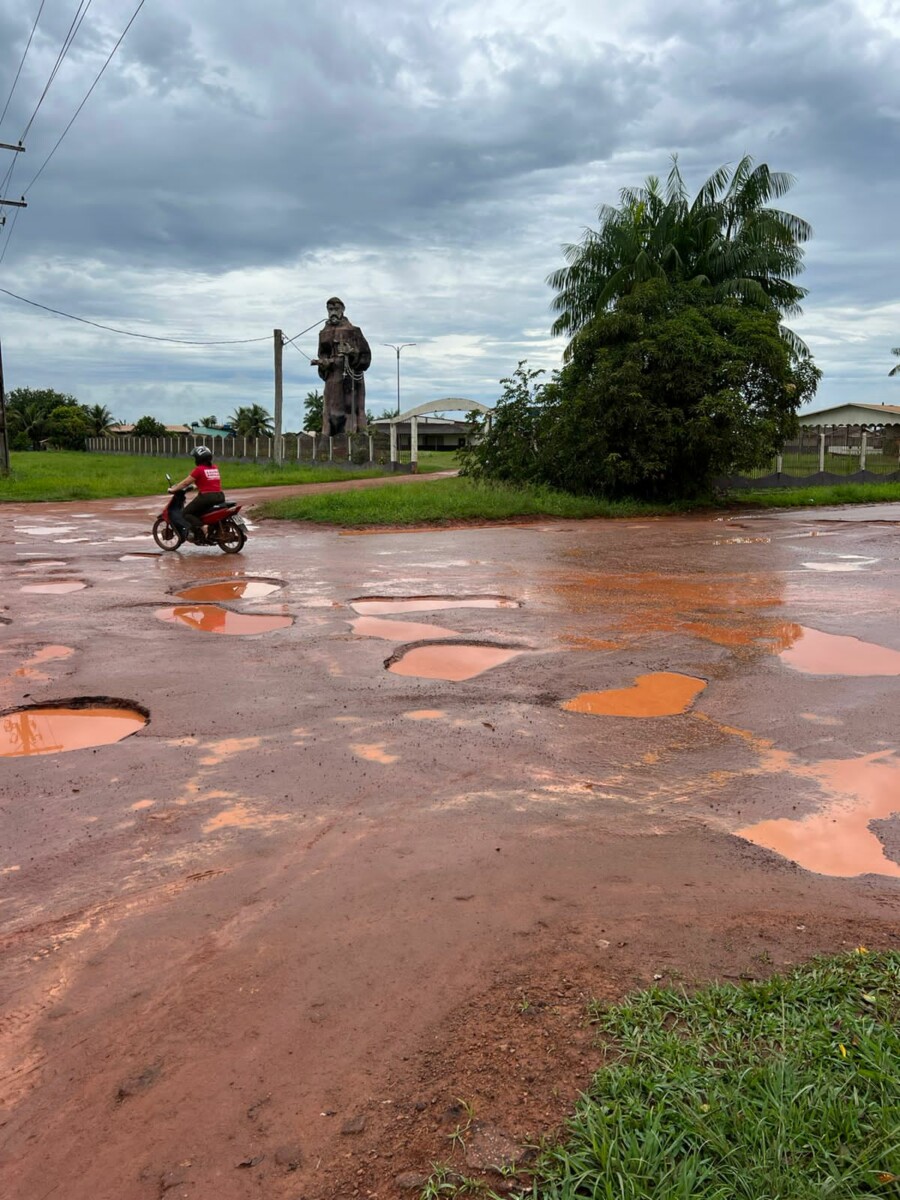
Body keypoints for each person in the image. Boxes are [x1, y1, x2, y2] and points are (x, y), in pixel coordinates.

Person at [313, 296, 371, 436]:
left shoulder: (354, 331)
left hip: (350, 378)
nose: (333, 312)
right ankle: (326, 443)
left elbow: (366, 356)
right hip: (332, 379)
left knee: (351, 410)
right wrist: (323, 363)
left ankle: (354, 441)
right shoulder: (323, 333)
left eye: (336, 309)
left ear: (343, 310)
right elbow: (322, 354)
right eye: (330, 309)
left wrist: (352, 353)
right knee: (328, 411)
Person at [168, 447, 225, 541]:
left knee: (186, 513)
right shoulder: (214, 468)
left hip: (207, 497)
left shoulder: (199, 469)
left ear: (199, 459)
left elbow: (185, 483)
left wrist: (174, 489)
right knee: (200, 511)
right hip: (220, 496)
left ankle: (203, 527)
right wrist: (195, 486)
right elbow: (209, 482)